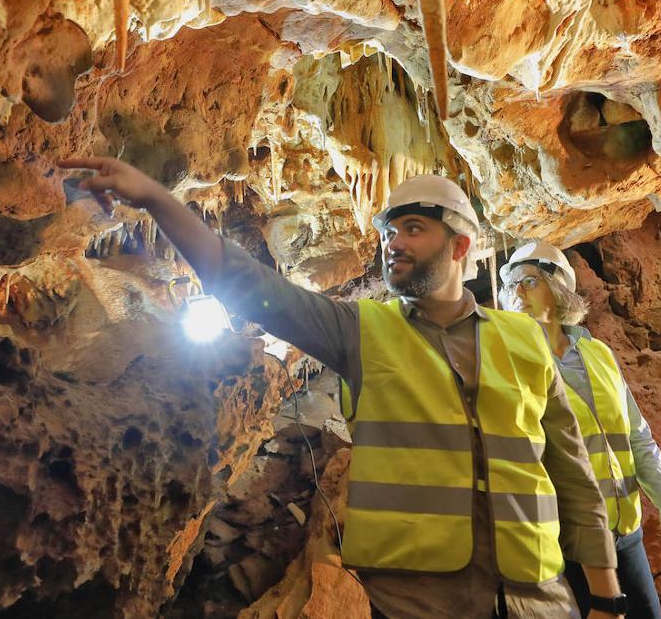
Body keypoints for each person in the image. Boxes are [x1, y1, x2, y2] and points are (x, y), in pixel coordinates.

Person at [58, 156, 627, 619]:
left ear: (460, 247)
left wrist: (605, 596)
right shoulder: (361, 330)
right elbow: (245, 282)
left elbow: (572, 474)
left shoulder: (524, 340)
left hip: (540, 598)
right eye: (388, 232)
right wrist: (158, 198)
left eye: (413, 229)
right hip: (415, 602)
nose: (394, 244)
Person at [499, 242, 661, 619]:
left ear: (559, 289)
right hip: (563, 544)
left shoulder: (599, 354)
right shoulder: (506, 363)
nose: (516, 292)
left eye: (529, 281)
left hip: (626, 532)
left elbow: (637, 438)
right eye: (511, 285)